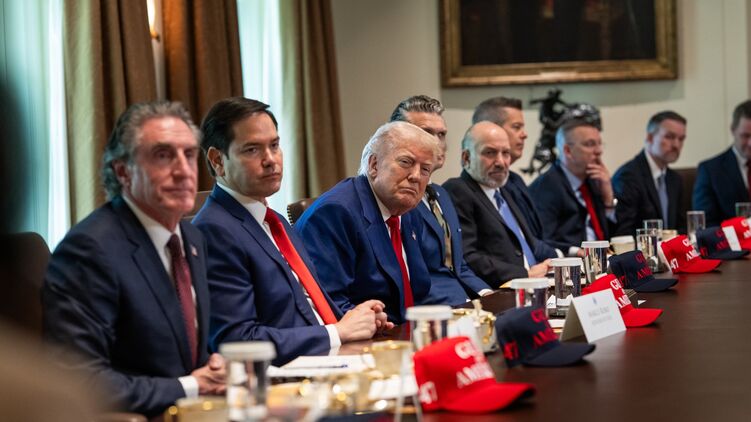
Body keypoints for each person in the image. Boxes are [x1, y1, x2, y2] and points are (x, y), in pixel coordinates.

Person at [42, 102, 226, 417]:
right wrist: (190, 386)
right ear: (123, 171)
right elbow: (80, 382)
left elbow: (182, 352)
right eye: (163, 155)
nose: (183, 170)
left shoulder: (191, 237)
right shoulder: (89, 250)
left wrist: (213, 365)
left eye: (189, 154)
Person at [193, 97, 392, 365]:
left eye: (274, 145)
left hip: (331, 357)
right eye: (252, 149)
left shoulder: (274, 221)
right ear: (217, 160)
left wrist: (357, 320)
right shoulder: (214, 230)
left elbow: (305, 305)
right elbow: (238, 341)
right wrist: (337, 332)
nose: (270, 160)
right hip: (287, 375)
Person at [296, 122, 440, 324]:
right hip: (366, 336)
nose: (416, 176)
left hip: (409, 330)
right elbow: (329, 302)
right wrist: (376, 324)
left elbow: (420, 289)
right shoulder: (335, 213)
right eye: (406, 162)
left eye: (425, 169)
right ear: (374, 165)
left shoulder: (408, 211)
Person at [390, 95, 492, 304]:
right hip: (433, 311)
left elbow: (458, 266)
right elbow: (413, 280)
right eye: (426, 133)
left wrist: (487, 295)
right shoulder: (398, 200)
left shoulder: (441, 194)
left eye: (442, 134)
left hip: (465, 304)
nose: (437, 142)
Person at [443, 122, 554, 287]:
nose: (501, 162)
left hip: (539, 281)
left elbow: (529, 242)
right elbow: (468, 257)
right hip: (505, 289)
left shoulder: (505, 189)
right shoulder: (458, 190)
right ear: (466, 158)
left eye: (506, 153)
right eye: (490, 153)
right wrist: (525, 274)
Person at [529, 119, 616, 255]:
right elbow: (541, 240)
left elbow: (613, 235)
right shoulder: (545, 188)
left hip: (602, 259)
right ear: (568, 150)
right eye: (590, 144)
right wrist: (576, 252)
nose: (599, 151)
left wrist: (608, 198)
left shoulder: (594, 180)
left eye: (599, 144)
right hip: (571, 263)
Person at [472, 96, 549, 243]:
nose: (524, 134)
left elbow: (535, 240)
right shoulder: (471, 191)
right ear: (492, 130)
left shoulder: (515, 181)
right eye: (516, 127)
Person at [613, 111, 687, 235]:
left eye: (681, 139)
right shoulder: (628, 177)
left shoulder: (675, 179)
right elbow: (624, 233)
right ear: (650, 138)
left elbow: (681, 228)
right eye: (669, 137)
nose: (676, 145)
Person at [694, 100, 751, 226]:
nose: (750, 143)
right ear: (733, 130)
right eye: (745, 136)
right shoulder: (710, 170)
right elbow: (705, 223)